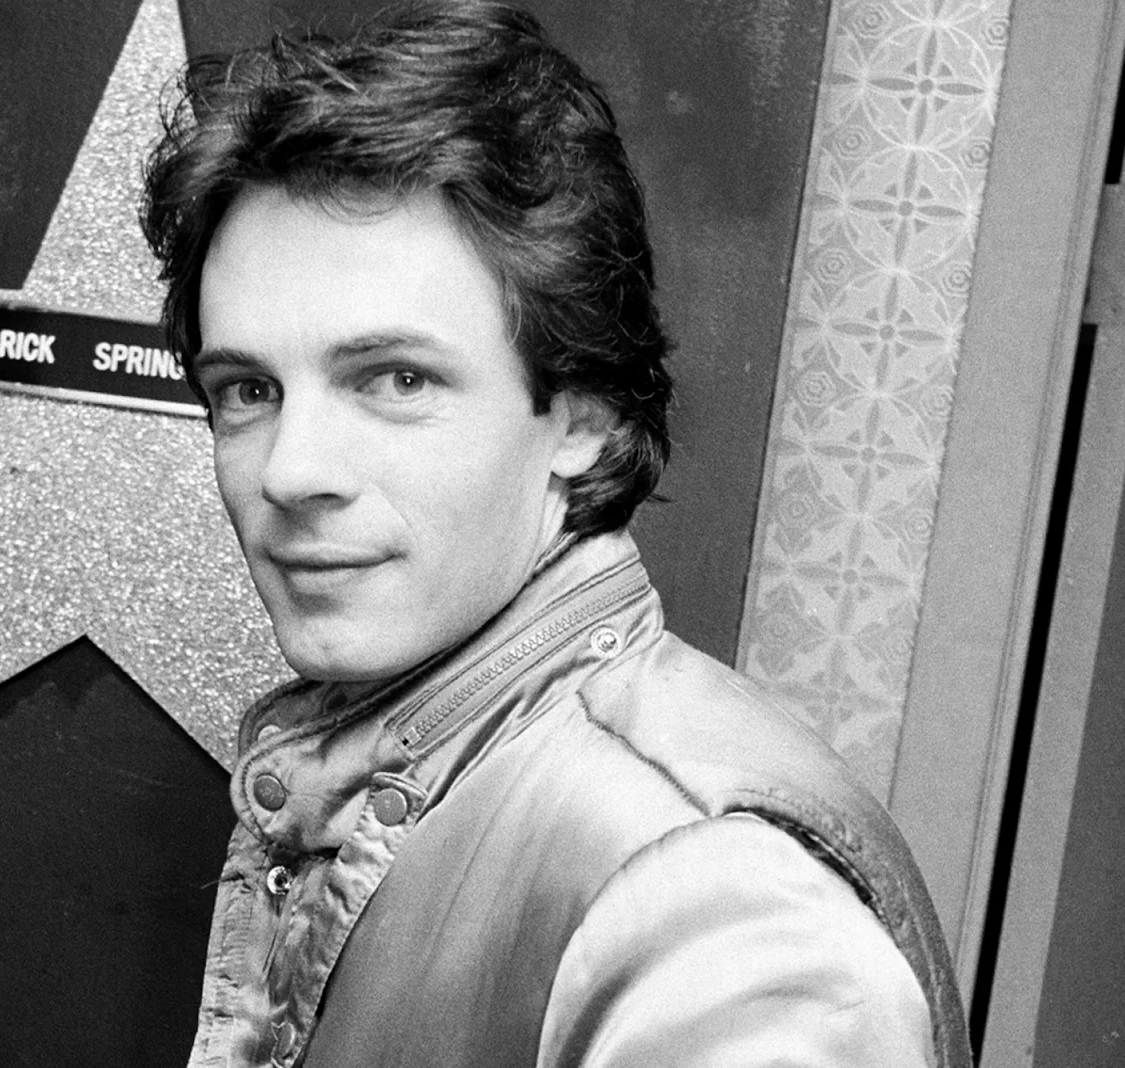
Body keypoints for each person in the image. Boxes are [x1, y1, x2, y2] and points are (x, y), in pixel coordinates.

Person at [140, 3, 970, 1065]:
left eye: (396, 380)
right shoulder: (436, 782)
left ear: (582, 419)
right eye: (249, 389)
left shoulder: (714, 907)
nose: (291, 471)